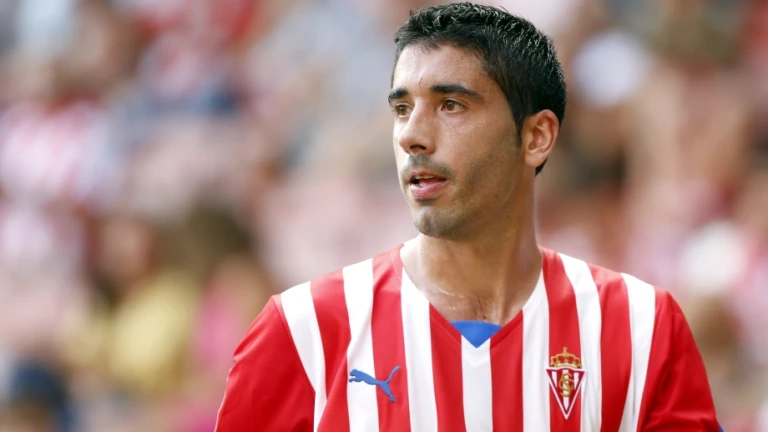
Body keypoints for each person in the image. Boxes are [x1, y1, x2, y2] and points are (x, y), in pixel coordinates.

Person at [214, 3, 721, 431]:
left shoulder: (642, 328)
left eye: (451, 105)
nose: (412, 135)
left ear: (536, 137)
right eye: (402, 109)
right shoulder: (301, 331)